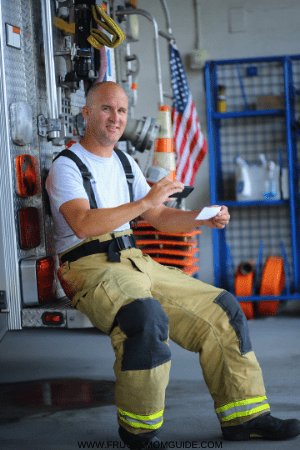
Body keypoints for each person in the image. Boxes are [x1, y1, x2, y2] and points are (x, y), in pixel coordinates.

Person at [46, 81, 300, 447]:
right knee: (144, 319)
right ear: (86, 113)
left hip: (134, 260)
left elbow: (161, 216)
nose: (115, 118)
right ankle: (139, 432)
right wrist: (145, 200)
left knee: (222, 308)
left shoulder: (124, 161)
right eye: (106, 109)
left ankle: (246, 417)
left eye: (121, 111)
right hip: (90, 267)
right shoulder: (66, 166)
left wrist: (201, 217)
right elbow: (83, 224)